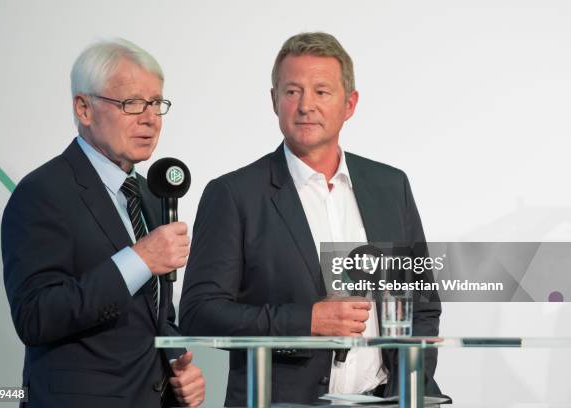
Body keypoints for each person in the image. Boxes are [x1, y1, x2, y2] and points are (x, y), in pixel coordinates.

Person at [179, 32, 442, 405]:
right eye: (292, 91)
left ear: (349, 104)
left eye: (322, 91)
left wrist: (408, 389)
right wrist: (306, 322)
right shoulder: (234, 194)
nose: (306, 106)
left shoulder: (391, 186)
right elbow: (199, 313)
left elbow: (423, 304)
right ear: (274, 101)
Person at [2, 38, 205, 408]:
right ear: (84, 108)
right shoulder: (42, 192)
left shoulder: (150, 193)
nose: (149, 118)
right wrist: (138, 260)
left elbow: (154, 314)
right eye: (132, 104)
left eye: (156, 103)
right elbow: (35, 317)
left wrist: (176, 362)